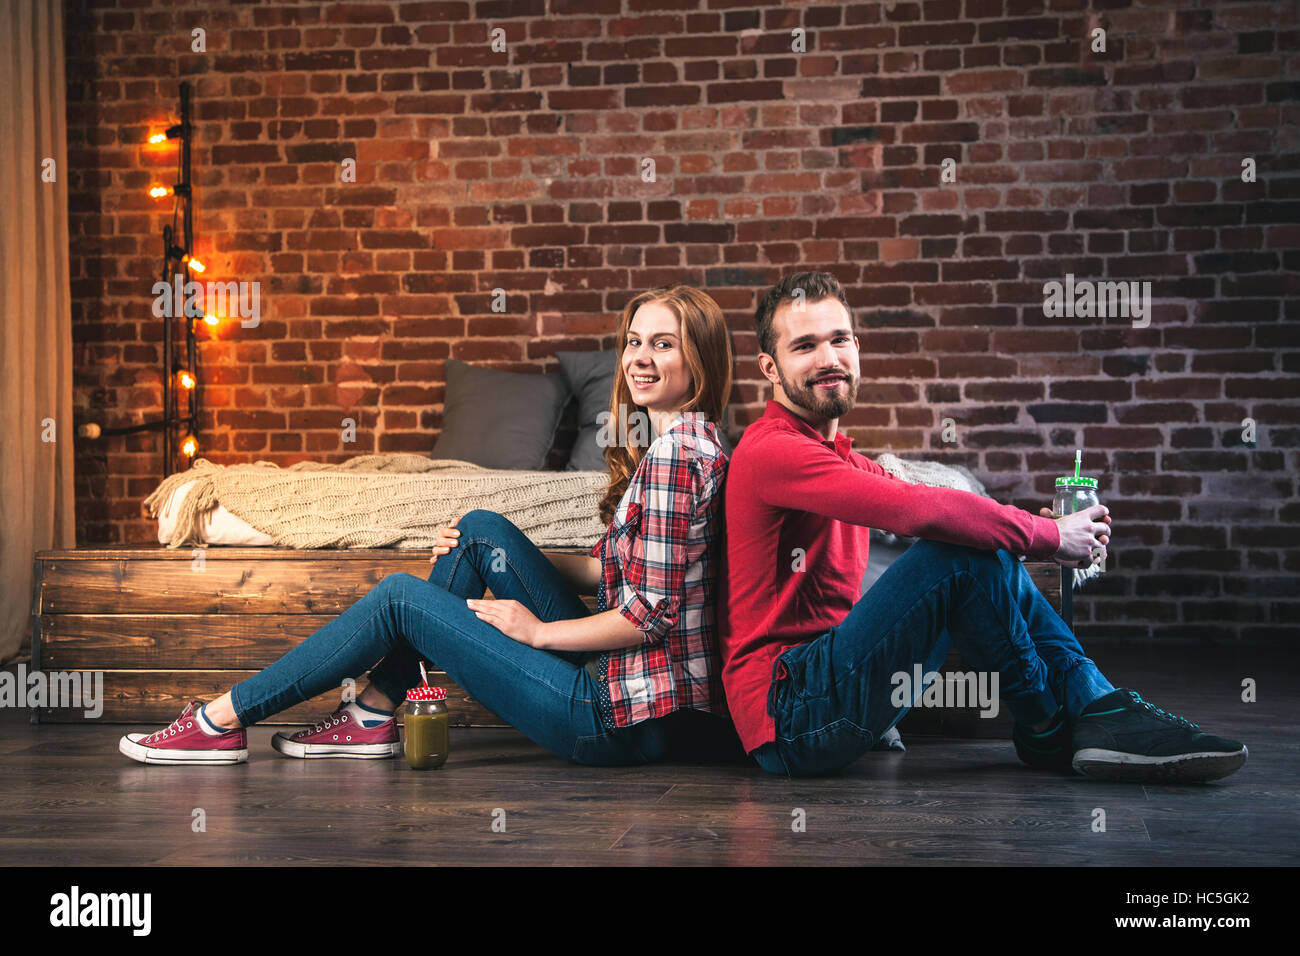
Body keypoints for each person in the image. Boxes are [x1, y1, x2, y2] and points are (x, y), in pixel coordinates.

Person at [120, 284, 740, 766]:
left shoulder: (675, 458)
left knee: (400, 599)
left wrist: (537, 633)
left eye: (663, 344)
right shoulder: (683, 443)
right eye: (634, 341)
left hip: (616, 718)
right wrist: (494, 551)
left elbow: (646, 615)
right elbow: (615, 568)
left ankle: (220, 722)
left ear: (701, 358)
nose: (640, 358)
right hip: (638, 699)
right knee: (478, 524)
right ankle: (373, 714)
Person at [719, 271, 1247, 783]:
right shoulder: (772, 451)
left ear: (857, 348)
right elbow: (916, 511)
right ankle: (1054, 725)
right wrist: (1051, 539)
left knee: (973, 542)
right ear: (770, 367)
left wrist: (1025, 527)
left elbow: (940, 502)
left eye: (839, 340)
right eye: (805, 346)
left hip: (828, 694)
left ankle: (1096, 706)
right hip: (791, 715)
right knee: (953, 555)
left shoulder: (835, 456)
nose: (829, 359)